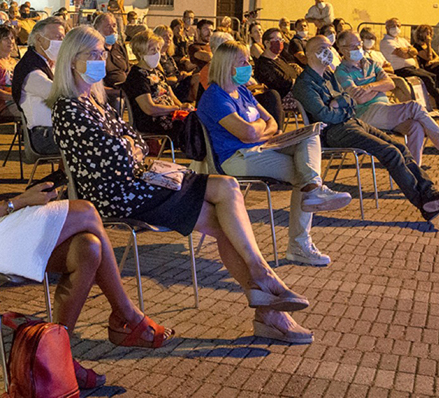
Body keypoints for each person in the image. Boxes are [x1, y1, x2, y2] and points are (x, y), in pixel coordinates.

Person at [0, 49, 174, 388]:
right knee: (84, 210)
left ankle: (58, 358)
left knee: (87, 247)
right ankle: (127, 315)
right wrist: (17, 203)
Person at [51, 26, 315, 344]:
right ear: (71, 60)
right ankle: (268, 301)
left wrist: (128, 147)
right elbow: (121, 156)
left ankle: (264, 284)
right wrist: (128, 148)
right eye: (93, 54)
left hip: (140, 179)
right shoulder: (68, 108)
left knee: (228, 188)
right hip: (118, 194)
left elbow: (134, 142)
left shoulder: (97, 100)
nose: (101, 59)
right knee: (223, 211)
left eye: (102, 53)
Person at [197, 40, 351, 266]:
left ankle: (313, 189)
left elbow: (272, 122)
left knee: (310, 134)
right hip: (236, 158)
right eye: (243, 61)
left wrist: (257, 130)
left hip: (259, 147)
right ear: (228, 65)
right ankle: (301, 239)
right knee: (303, 175)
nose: (248, 65)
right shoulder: (215, 97)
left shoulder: (242, 91)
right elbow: (247, 133)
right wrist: (258, 130)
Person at [292, 35, 439, 221]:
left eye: (328, 47)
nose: (327, 51)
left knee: (400, 148)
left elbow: (350, 99)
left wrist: (340, 103)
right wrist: (344, 107)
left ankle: (429, 190)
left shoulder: (328, 75)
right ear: (309, 53)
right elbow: (325, 116)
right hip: (333, 132)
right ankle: (423, 202)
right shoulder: (305, 84)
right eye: (321, 48)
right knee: (390, 152)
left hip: (351, 122)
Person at [333, 31, 439, 165]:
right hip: (365, 114)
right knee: (414, 106)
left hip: (385, 109)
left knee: (415, 127)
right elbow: (359, 99)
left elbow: (390, 83)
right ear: (343, 48)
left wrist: (369, 87)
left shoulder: (370, 63)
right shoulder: (342, 72)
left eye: (359, 43)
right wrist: (378, 87)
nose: (359, 47)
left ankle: (414, 170)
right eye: (354, 45)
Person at [121, 29, 192, 148]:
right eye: (152, 50)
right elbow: (149, 108)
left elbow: (171, 96)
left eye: (158, 49)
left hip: (169, 113)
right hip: (153, 120)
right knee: (193, 124)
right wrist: (176, 108)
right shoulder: (137, 76)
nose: (157, 53)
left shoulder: (157, 71)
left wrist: (183, 108)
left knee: (196, 116)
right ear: (141, 52)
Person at [12, 17, 65, 156]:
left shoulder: (52, 64)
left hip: (58, 129)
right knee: (91, 140)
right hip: (43, 135)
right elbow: (58, 93)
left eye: (63, 38)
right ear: (39, 39)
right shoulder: (30, 69)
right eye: (56, 38)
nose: (61, 42)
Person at [379, 18, 439, 112]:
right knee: (427, 78)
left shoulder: (402, 40)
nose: (396, 28)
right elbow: (403, 55)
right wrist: (409, 52)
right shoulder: (386, 42)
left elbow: (415, 51)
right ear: (387, 27)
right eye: (393, 26)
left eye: (398, 26)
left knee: (434, 76)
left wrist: (408, 51)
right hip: (400, 70)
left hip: (412, 68)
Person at [93, 12, 129, 106]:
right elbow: (94, 85)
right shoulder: (95, 52)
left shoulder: (119, 48)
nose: (113, 30)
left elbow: (127, 70)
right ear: (97, 30)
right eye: (108, 26)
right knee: (118, 101)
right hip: (107, 93)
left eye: (114, 25)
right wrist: (116, 92)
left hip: (123, 89)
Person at [254, 28, 301, 99]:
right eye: (276, 40)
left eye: (281, 40)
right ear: (267, 43)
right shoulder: (263, 65)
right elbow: (284, 83)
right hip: (285, 99)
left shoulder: (279, 59)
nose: (280, 43)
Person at [153, 24, 194, 102]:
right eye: (165, 36)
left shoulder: (168, 56)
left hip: (177, 84)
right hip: (169, 89)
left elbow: (176, 72)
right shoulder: (155, 58)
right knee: (196, 79)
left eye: (170, 35)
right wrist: (177, 79)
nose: (169, 38)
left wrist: (182, 74)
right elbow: (162, 79)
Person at [411, 24, 439, 89]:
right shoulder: (417, 47)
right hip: (426, 68)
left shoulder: (426, 46)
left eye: (430, 33)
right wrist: (429, 44)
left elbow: (437, 57)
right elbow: (428, 57)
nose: (429, 35)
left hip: (433, 66)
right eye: (427, 33)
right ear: (420, 34)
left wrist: (432, 61)